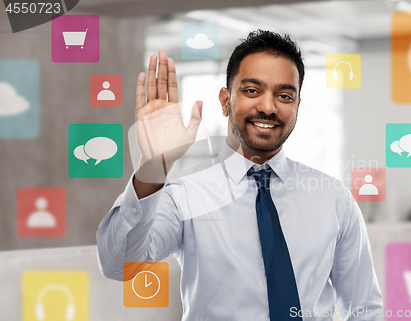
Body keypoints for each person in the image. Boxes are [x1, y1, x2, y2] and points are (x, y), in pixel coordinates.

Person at [97, 30, 383, 320]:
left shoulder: (333, 199)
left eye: (284, 95)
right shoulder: (185, 193)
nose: (268, 107)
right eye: (252, 90)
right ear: (225, 101)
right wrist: (151, 167)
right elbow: (118, 264)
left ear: (297, 106)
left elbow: (365, 308)